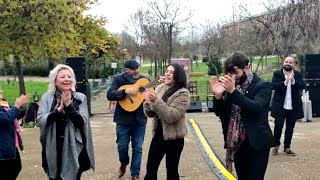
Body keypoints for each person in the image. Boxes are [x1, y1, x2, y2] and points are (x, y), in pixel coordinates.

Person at [210, 52, 273, 180]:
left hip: (257, 144)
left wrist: (233, 91)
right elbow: (220, 112)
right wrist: (217, 96)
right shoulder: (231, 88)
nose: (233, 77)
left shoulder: (262, 85)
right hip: (237, 144)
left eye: (236, 73)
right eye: (229, 74)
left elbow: (256, 107)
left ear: (247, 67)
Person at [37, 64, 95, 180]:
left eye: (69, 76)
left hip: (76, 145)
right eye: (62, 77)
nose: (67, 79)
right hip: (54, 145)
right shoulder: (47, 97)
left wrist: (68, 106)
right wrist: (58, 110)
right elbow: (41, 120)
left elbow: (82, 122)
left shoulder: (80, 97)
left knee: (74, 175)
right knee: (56, 176)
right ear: (55, 81)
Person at [143, 63, 190, 180]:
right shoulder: (160, 88)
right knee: (151, 169)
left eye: (171, 72)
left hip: (174, 138)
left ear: (178, 76)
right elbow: (151, 114)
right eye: (166, 71)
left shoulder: (183, 93)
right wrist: (147, 104)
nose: (167, 74)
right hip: (159, 135)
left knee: (172, 171)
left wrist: (155, 101)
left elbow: (170, 116)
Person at [107, 59, 147, 180]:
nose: (136, 71)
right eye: (133, 69)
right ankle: (124, 163)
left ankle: (135, 174)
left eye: (137, 68)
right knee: (122, 146)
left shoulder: (144, 80)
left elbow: (149, 94)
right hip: (123, 120)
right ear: (126, 70)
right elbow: (110, 95)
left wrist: (147, 98)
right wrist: (125, 91)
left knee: (138, 147)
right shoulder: (119, 80)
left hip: (140, 119)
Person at [271, 56, 305, 156]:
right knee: (278, 127)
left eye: (290, 62)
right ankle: (276, 146)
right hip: (280, 106)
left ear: (294, 64)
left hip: (293, 106)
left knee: (290, 128)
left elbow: (302, 85)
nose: (288, 64)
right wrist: (285, 82)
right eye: (286, 62)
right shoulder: (277, 74)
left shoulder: (297, 74)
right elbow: (273, 86)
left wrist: (293, 81)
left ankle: (287, 147)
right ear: (283, 63)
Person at [0, 89, 30, 180]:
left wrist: (21, 107)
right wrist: (17, 106)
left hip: (9, 144)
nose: (1, 91)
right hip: (2, 148)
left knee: (16, 167)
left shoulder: (3, 103)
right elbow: (5, 118)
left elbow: (15, 115)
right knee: (7, 172)